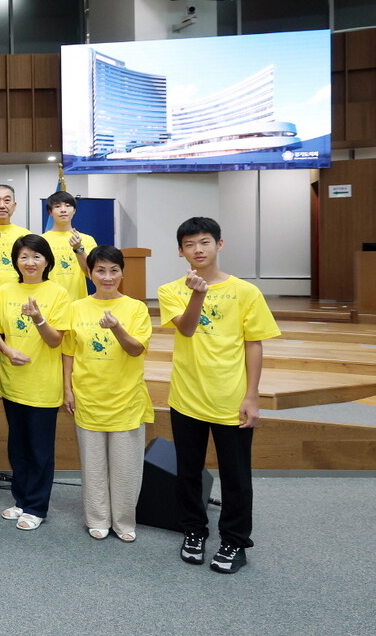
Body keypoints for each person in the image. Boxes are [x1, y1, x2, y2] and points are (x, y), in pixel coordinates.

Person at [159, 217, 279, 574]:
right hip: (187, 397)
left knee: (236, 475)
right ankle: (194, 531)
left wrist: (252, 396)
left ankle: (234, 540)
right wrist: (197, 294)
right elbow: (187, 328)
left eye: (205, 242)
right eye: (190, 244)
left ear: (219, 245)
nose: (198, 249)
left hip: (231, 398)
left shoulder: (246, 292)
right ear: (180, 251)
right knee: (188, 471)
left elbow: (253, 344)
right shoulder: (171, 290)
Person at [61, 245, 153, 543]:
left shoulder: (136, 308)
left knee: (126, 469)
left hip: (126, 399)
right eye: (100, 270)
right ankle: (97, 519)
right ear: (90, 273)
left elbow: (136, 348)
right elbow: (69, 352)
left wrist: (116, 328)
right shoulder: (76, 307)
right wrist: (67, 389)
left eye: (114, 270)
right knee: (93, 466)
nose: (107, 276)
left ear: (122, 273)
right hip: (88, 396)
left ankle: (125, 522)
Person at [0, 235, 71, 531]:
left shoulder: (58, 293)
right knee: (18, 447)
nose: (30, 262)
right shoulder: (3, 291)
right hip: (14, 383)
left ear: (47, 260)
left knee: (40, 450)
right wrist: (7, 350)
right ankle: (21, 500)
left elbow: (56, 341)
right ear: (15, 261)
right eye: (24, 256)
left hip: (43, 385)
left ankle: (37, 506)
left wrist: (39, 319)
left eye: (36, 256)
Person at [42, 191, 96, 300]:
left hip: (78, 301)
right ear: (50, 212)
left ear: (74, 210)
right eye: (57, 206)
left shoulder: (87, 239)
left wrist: (79, 249)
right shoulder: (42, 240)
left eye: (67, 206)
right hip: (49, 300)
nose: (63, 210)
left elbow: (92, 274)